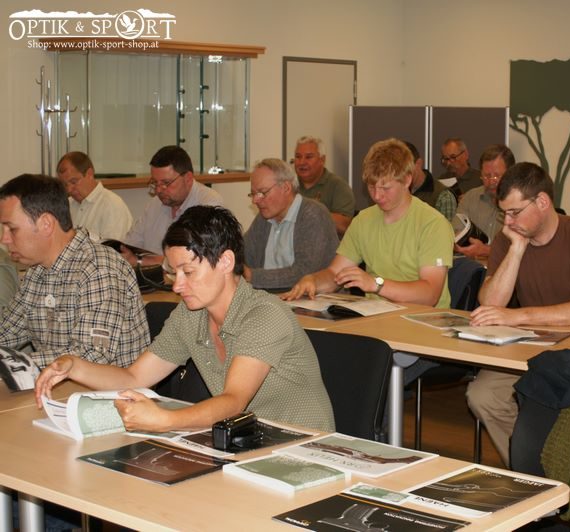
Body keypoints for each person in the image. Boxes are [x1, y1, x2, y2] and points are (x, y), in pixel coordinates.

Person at [35, 205, 335, 433]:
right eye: (173, 272)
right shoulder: (191, 315)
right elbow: (134, 378)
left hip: (304, 445)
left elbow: (233, 402)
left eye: (188, 272)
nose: (177, 285)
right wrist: (74, 365)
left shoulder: (264, 314)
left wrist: (165, 420)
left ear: (225, 262)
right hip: (248, 442)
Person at [465, 162, 570, 465]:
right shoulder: (508, 238)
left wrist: (516, 317)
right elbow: (491, 302)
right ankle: (530, 468)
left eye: (515, 212)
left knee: (563, 408)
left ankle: (552, 466)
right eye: (504, 213)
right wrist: (516, 249)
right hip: (534, 346)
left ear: (543, 202)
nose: (508, 221)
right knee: (483, 396)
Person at [284, 138, 453, 309]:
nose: (377, 196)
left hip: (422, 319)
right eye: (371, 187)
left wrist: (376, 284)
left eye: (385, 188)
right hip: (378, 315)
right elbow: (335, 273)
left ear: (407, 180)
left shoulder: (433, 224)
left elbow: (430, 294)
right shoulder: (363, 221)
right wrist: (313, 280)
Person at [0, 174, 149, 368]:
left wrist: (16, 363)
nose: (4, 239)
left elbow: (91, 355)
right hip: (59, 384)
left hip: (107, 386)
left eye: (12, 229)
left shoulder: (99, 269)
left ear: (46, 224)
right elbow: (6, 333)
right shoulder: (36, 272)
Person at [243, 158, 338, 292]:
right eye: (253, 194)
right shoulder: (263, 218)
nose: (255, 200)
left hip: (314, 299)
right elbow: (243, 253)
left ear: (286, 188)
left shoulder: (313, 214)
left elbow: (304, 273)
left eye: (262, 192)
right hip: (274, 298)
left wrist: (252, 276)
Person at [122, 145, 223, 267]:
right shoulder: (154, 205)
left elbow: (198, 261)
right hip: (151, 277)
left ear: (188, 178)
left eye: (166, 183)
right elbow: (130, 245)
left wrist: (143, 261)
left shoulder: (209, 205)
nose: (158, 190)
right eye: (155, 182)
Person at [56, 151, 134, 241]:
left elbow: (113, 248)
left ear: (89, 174)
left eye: (74, 182)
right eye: (65, 185)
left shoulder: (112, 205)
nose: (69, 190)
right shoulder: (67, 204)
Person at [455, 144, 515, 259]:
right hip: (471, 266)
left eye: (497, 176)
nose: (491, 181)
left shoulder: (521, 203)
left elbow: (525, 249)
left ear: (510, 174)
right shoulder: (470, 198)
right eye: (486, 176)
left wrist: (486, 251)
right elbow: (456, 233)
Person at [294, 136, 355, 237]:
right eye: (298, 157)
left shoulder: (338, 186)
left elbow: (344, 226)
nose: (302, 162)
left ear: (322, 160)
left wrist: (312, 211)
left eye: (308, 157)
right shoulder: (287, 185)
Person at [404, 140, 456, 221]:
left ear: (418, 164)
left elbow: (446, 229)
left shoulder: (443, 196)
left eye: (406, 169)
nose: (401, 175)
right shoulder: (393, 193)